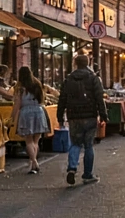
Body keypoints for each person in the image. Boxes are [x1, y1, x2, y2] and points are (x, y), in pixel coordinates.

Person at [57, 54, 107, 186]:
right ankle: (87, 174)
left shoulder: (69, 79)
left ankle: (72, 168)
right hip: (90, 115)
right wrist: (103, 115)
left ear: (75, 63)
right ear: (88, 62)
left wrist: (60, 116)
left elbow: (62, 99)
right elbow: (99, 98)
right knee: (89, 145)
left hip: (73, 116)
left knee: (75, 143)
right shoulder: (93, 78)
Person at [13, 66, 51, 175]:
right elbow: (42, 99)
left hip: (26, 113)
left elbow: (17, 104)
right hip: (39, 111)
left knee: (28, 140)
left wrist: (12, 117)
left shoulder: (19, 87)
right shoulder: (37, 84)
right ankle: (34, 163)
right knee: (35, 141)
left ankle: (34, 162)